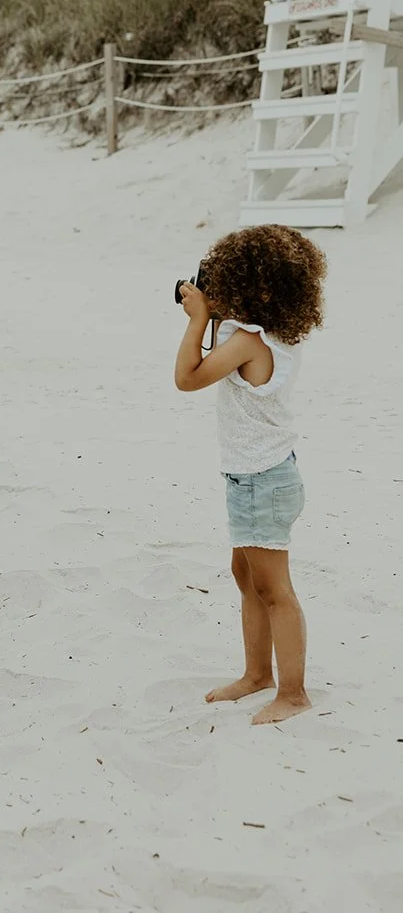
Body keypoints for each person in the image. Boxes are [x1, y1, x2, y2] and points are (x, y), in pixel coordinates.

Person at [174, 223, 327, 725]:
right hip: (259, 476)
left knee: (273, 589)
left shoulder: (248, 341)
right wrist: (213, 313)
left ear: (256, 290)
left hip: (262, 482)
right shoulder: (268, 330)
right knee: (246, 576)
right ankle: (257, 674)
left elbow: (188, 378)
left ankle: (294, 693)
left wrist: (197, 320)